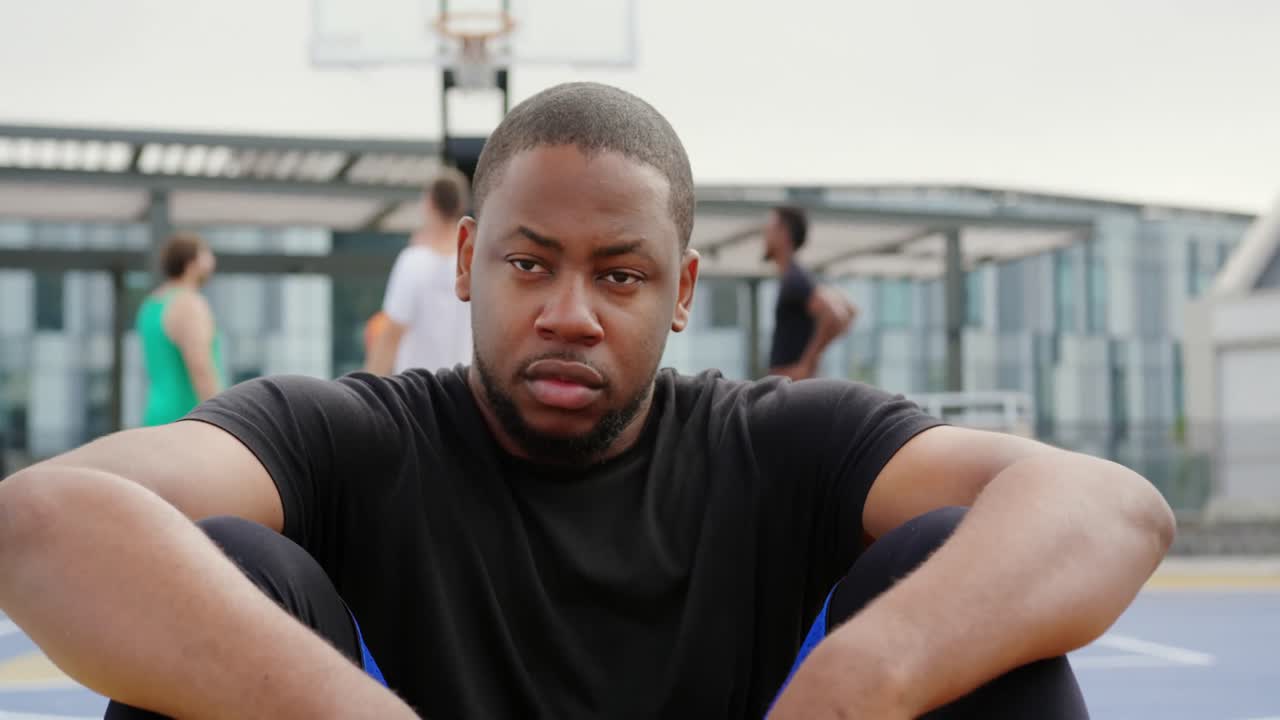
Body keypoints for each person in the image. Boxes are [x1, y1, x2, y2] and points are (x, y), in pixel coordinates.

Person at [0, 83, 1173, 719]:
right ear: (465, 263)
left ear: (679, 291)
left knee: (955, 591)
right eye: (527, 263)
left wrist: (863, 681)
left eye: (618, 273)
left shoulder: (780, 442)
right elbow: (42, 516)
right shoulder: (349, 436)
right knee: (231, 569)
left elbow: (1110, 507)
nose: (570, 310)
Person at [364, 169, 473, 376]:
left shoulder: (413, 262)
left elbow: (390, 336)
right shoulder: (473, 263)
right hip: (463, 394)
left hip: (417, 396)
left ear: (429, 204)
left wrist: (362, 398)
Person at [135, 232, 225, 426]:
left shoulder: (151, 304)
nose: (212, 262)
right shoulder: (189, 304)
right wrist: (223, 420)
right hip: (188, 418)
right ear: (192, 263)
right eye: (206, 255)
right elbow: (201, 368)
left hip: (157, 415)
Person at [763, 206, 857, 380]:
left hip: (790, 383)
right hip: (790, 381)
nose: (765, 235)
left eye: (770, 228)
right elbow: (849, 310)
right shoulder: (796, 276)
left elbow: (837, 315)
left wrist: (807, 364)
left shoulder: (795, 279)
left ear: (784, 234)